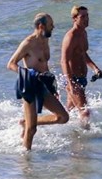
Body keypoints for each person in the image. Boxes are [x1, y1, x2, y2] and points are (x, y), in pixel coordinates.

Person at [7, 13, 69, 150]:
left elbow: (44, 65)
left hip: (43, 84)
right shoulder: (28, 43)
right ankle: (26, 161)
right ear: (41, 26)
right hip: (29, 85)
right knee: (32, 129)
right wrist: (27, 73)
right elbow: (11, 64)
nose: (53, 27)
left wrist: (52, 86)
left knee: (63, 117)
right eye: (50, 25)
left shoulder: (45, 40)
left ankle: (25, 122)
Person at [61, 5, 102, 126]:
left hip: (82, 78)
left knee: (69, 111)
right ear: (74, 18)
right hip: (73, 79)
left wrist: (95, 68)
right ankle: (84, 139)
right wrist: (70, 83)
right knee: (85, 112)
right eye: (83, 16)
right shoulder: (71, 36)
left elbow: (83, 53)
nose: (86, 19)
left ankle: (58, 129)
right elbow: (64, 61)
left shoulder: (83, 33)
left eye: (87, 16)